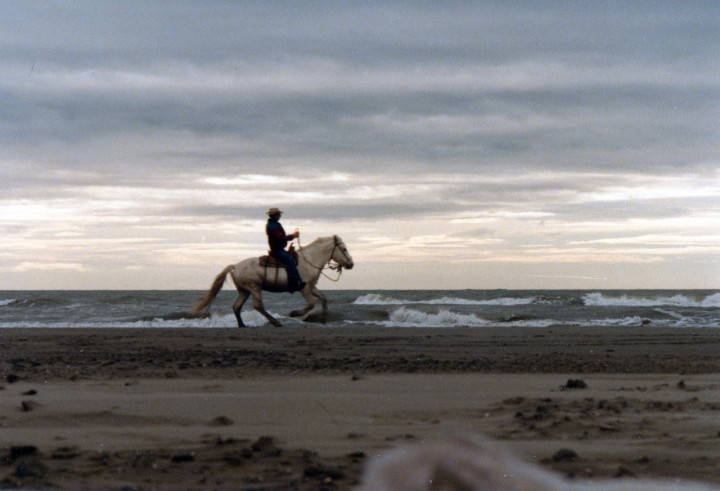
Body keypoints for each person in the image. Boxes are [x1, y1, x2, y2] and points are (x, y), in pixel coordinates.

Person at [265, 207, 306, 292]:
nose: (280, 216)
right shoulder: (273, 226)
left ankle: (297, 281)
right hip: (277, 250)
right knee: (291, 261)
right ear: (275, 215)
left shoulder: (274, 224)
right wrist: (293, 236)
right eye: (279, 214)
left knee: (292, 260)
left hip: (279, 249)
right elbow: (281, 237)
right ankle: (293, 285)